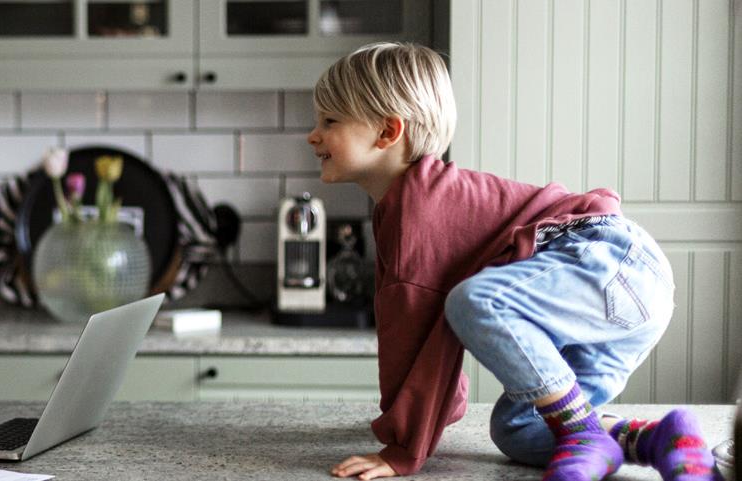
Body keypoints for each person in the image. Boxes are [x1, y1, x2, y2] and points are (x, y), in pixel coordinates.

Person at [307, 43, 717, 481]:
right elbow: (417, 332)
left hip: (608, 259)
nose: (313, 135)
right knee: (518, 431)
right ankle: (662, 439)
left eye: (329, 121)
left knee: (476, 301)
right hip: (626, 290)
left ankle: (582, 433)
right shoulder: (403, 207)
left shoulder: (417, 207)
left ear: (388, 132)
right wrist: (427, 419)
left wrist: (403, 448)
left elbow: (410, 333)